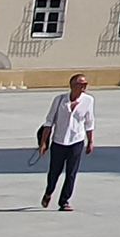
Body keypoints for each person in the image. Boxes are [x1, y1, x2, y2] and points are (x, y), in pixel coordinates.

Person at [39, 73, 95, 210]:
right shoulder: (59, 100)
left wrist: (90, 141)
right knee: (54, 172)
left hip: (76, 140)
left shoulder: (88, 100)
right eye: (81, 84)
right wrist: (43, 143)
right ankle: (49, 192)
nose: (84, 87)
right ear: (72, 85)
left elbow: (89, 122)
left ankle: (64, 201)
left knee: (71, 172)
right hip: (59, 141)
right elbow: (49, 121)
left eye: (85, 84)